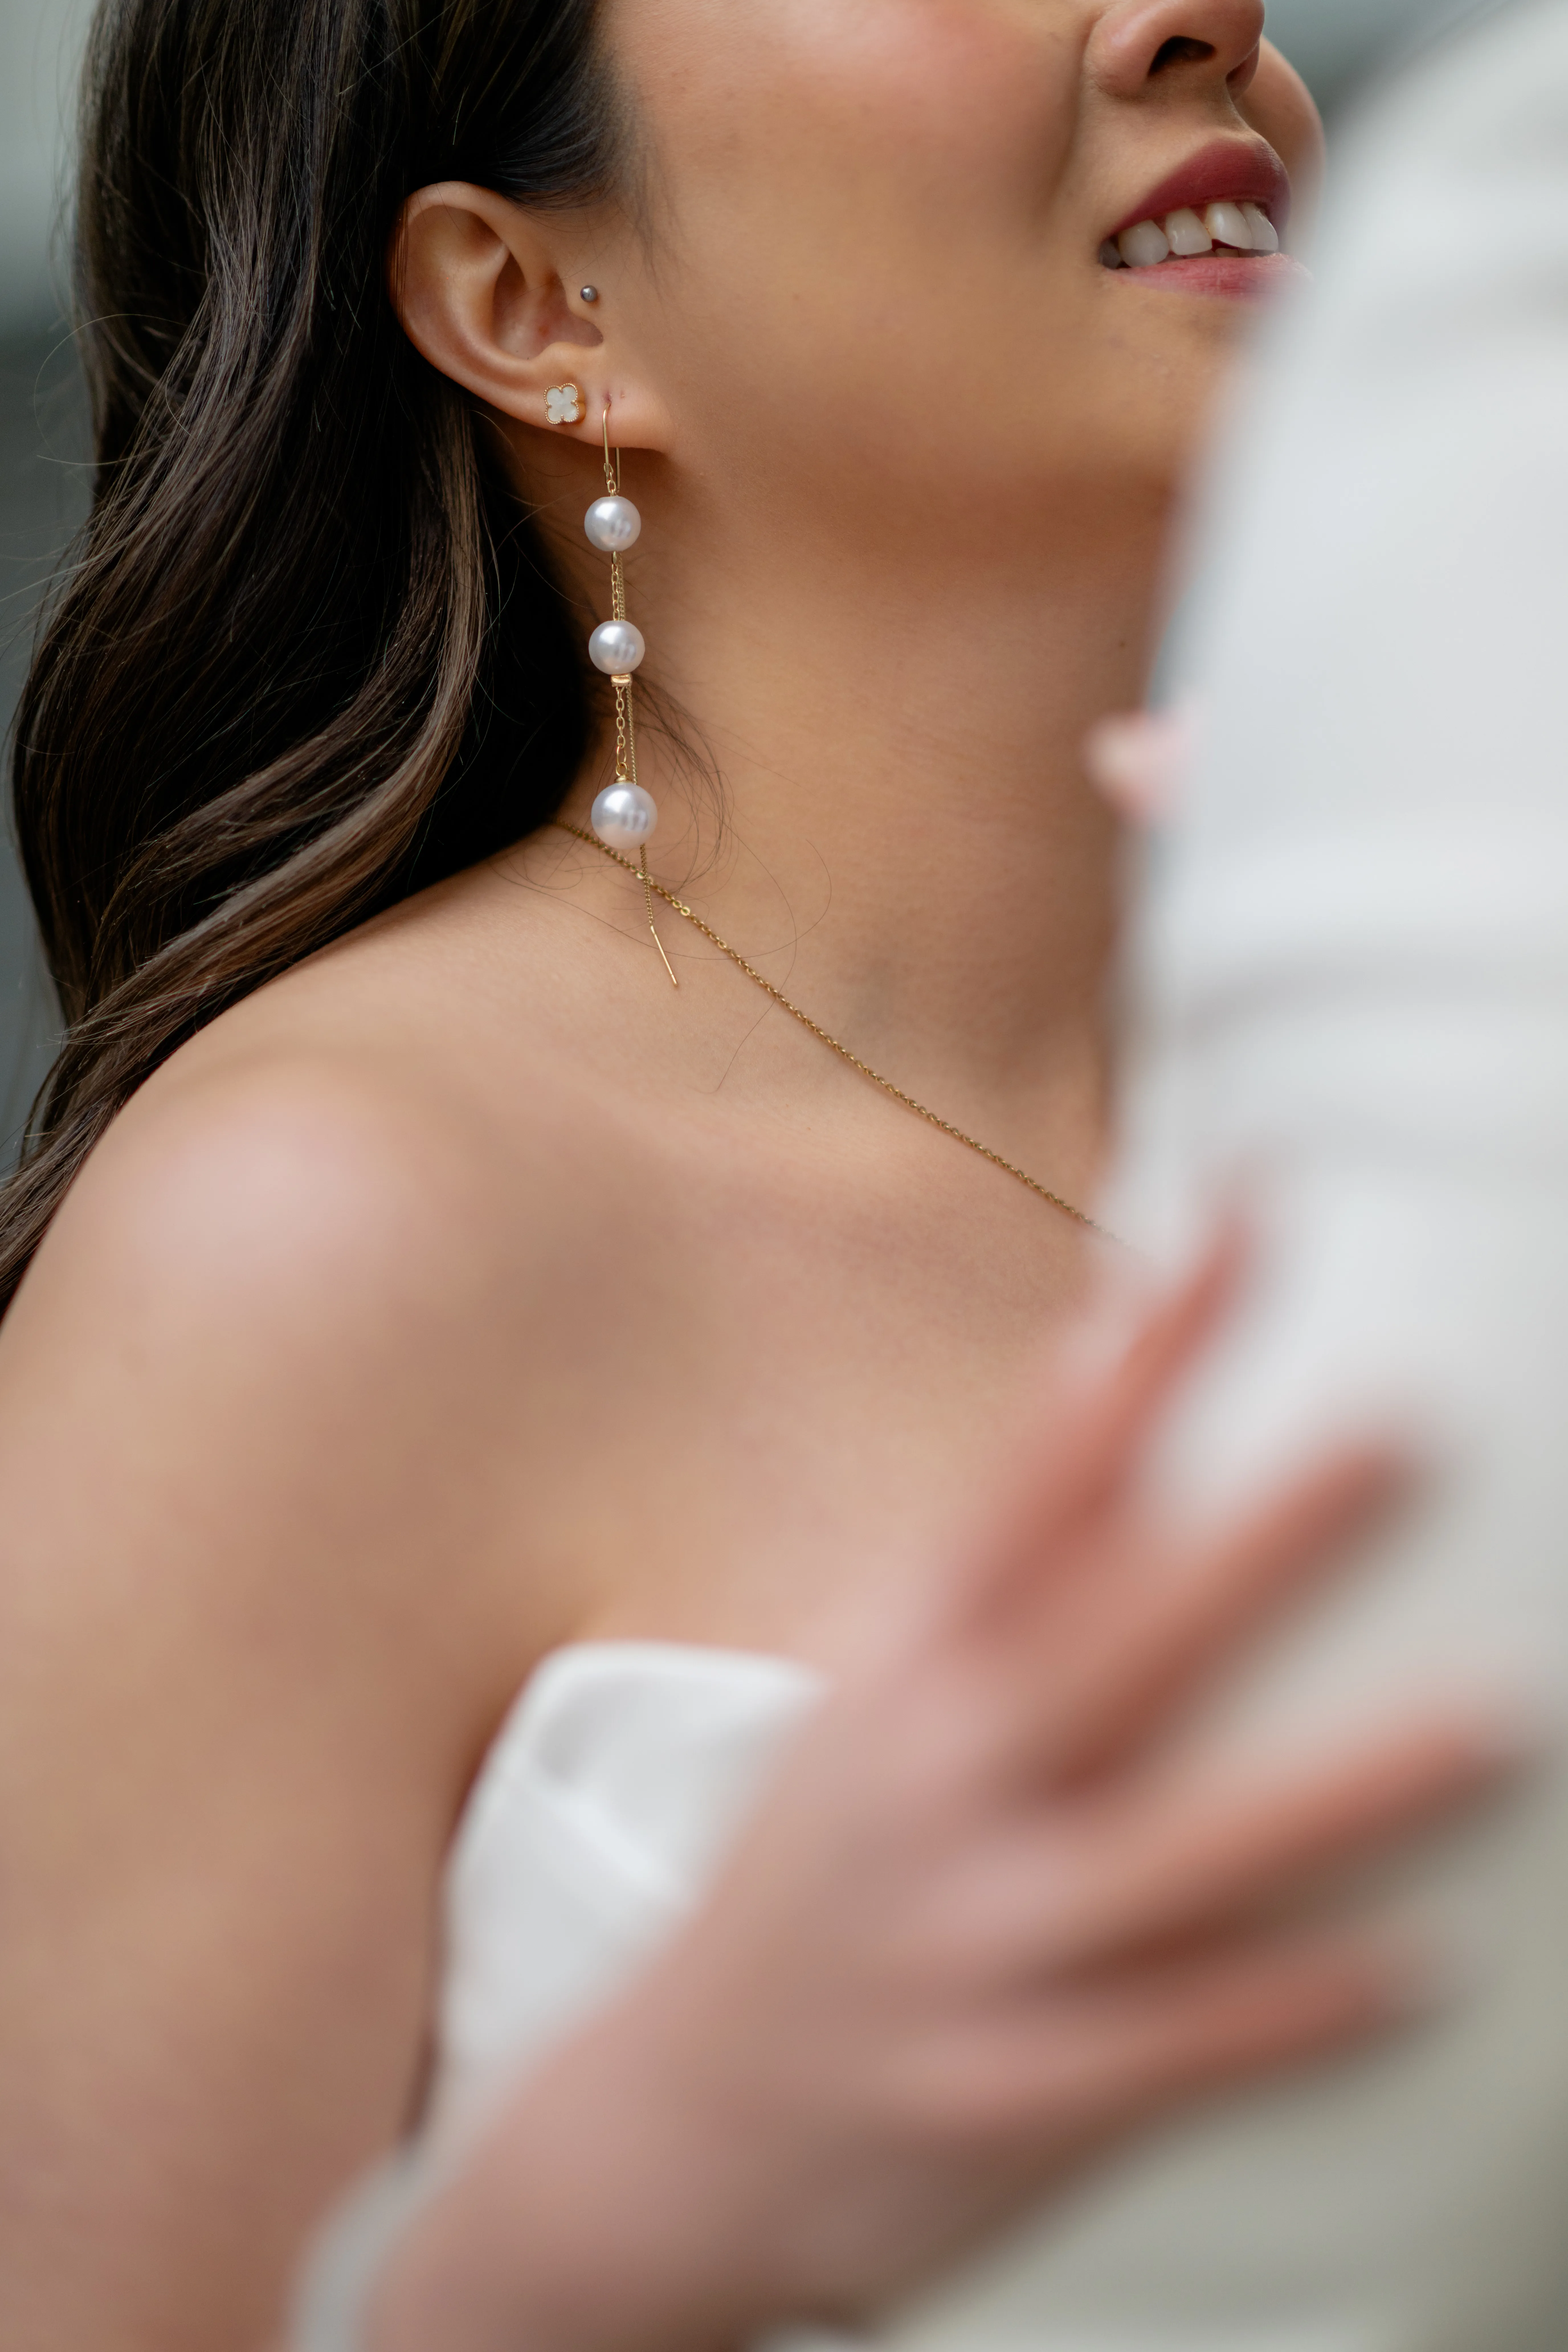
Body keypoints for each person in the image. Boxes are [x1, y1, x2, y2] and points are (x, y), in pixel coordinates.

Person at [0, 4, 1510, 2349]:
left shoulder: (1443, 1074)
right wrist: (598, 2230)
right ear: (533, 305)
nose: (1206, 12)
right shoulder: (315, 1244)